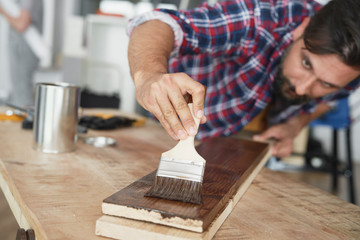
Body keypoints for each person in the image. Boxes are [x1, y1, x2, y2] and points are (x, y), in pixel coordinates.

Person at [126, 0, 360, 158]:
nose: (301, 88)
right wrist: (148, 75)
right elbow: (156, 24)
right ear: (302, 28)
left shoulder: (351, 70)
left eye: (326, 84)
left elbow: (331, 99)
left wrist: (294, 125)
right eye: (306, 63)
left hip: (241, 148)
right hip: (171, 126)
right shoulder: (259, 19)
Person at [0, 0, 43, 107]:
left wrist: (2, 10)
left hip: (24, 50)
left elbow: (21, 25)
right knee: (18, 92)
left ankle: (26, 121)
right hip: (20, 50)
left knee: (23, 95)